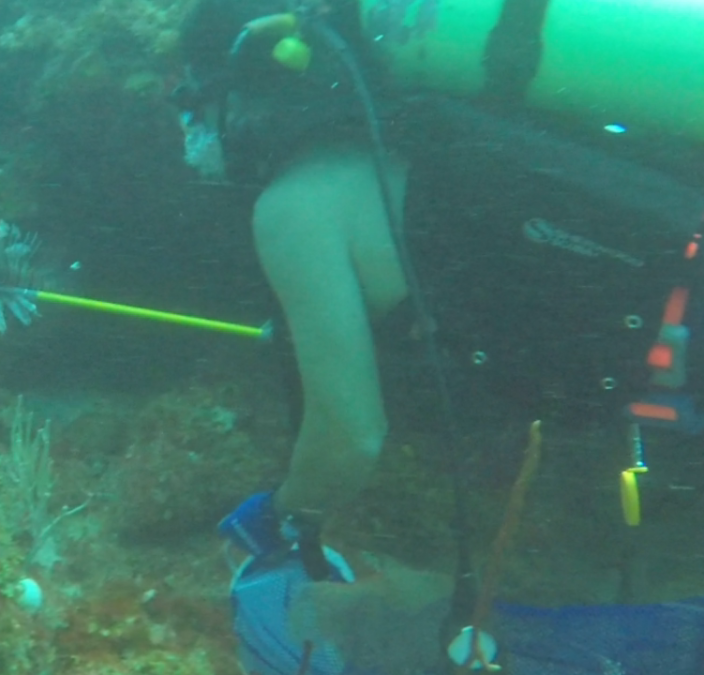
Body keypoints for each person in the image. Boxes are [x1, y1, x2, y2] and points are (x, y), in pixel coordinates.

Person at [172, 0, 704, 673]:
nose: (190, 135)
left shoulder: (290, 209)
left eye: (189, 105)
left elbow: (352, 432)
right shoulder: (412, 136)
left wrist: (281, 517)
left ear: (240, 89)